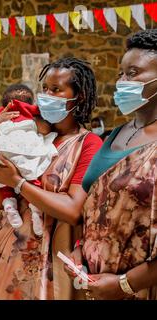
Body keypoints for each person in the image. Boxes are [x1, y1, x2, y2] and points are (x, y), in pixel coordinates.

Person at [0, 57, 103, 300]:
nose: (47, 95)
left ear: (78, 97)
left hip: (52, 255)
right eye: (45, 89)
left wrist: (18, 182)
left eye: (57, 90)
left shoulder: (88, 144)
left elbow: (73, 210)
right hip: (13, 245)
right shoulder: (28, 133)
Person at [66, 29, 157, 300]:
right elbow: (93, 207)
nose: (121, 81)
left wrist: (123, 285)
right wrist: (79, 249)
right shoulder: (115, 134)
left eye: (133, 73)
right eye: (121, 74)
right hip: (94, 285)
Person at [0, 99, 57, 238]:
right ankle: (35, 210)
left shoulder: (0, 119)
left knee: (4, 181)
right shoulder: (33, 120)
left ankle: (11, 204)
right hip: (13, 234)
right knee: (31, 174)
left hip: (1, 153)